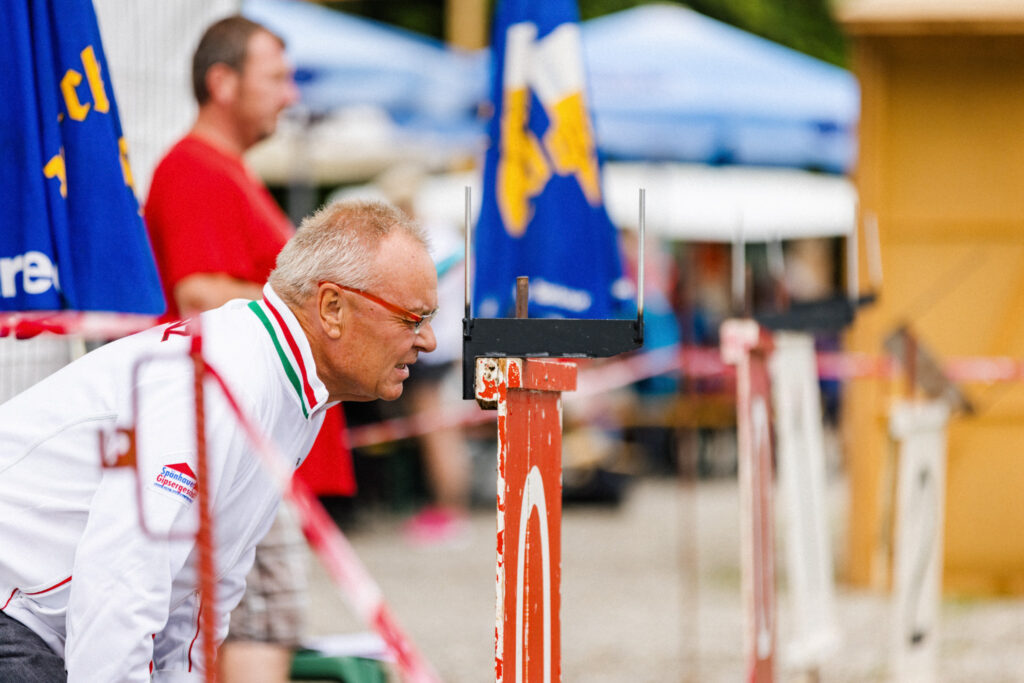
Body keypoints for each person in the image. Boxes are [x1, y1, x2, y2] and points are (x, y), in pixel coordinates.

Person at [0, 199, 438, 682]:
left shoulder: (279, 381)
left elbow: (202, 587)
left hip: (33, 613)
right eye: (412, 319)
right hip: (18, 609)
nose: (429, 341)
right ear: (332, 307)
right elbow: (122, 578)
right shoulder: (226, 375)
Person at [143, 16, 352, 681]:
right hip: (239, 441)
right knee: (260, 624)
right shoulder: (195, 168)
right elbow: (200, 294)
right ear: (222, 82)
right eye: (277, 77)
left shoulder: (220, 170)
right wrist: (327, 302)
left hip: (246, 440)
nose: (291, 94)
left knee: (248, 623)